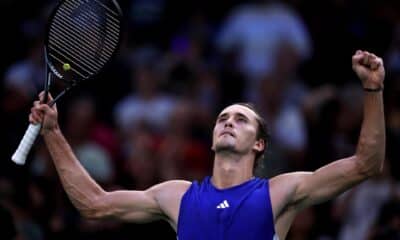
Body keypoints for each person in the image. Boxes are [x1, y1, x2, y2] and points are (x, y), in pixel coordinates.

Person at [28, 50, 385, 240]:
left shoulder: (281, 192)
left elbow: (365, 165)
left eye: (241, 119)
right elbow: (94, 204)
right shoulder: (176, 196)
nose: (229, 121)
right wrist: (54, 133)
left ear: (259, 144)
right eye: (222, 118)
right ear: (213, 139)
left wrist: (372, 90)